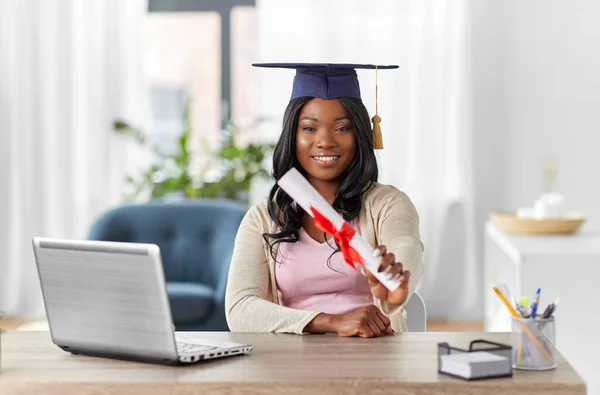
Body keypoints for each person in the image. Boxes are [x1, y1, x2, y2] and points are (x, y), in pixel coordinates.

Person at [225, 63, 424, 337]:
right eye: (309, 128)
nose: (325, 141)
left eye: (342, 128)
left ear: (360, 136)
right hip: (291, 362)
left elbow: (406, 246)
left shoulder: (388, 204)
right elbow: (240, 309)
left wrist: (396, 287)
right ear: (292, 135)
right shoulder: (265, 216)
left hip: (375, 357)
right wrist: (330, 321)